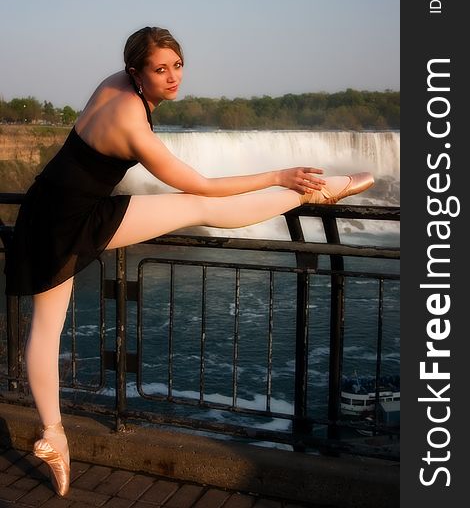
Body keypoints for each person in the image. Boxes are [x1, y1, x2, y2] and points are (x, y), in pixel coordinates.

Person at [4, 26, 374, 496]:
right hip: (77, 218)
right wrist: (280, 174)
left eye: (177, 65)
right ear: (137, 72)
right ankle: (318, 190)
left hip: (43, 210)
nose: (173, 77)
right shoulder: (131, 125)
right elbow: (202, 186)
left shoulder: (115, 81)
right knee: (201, 209)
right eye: (161, 70)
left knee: (47, 327)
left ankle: (54, 435)